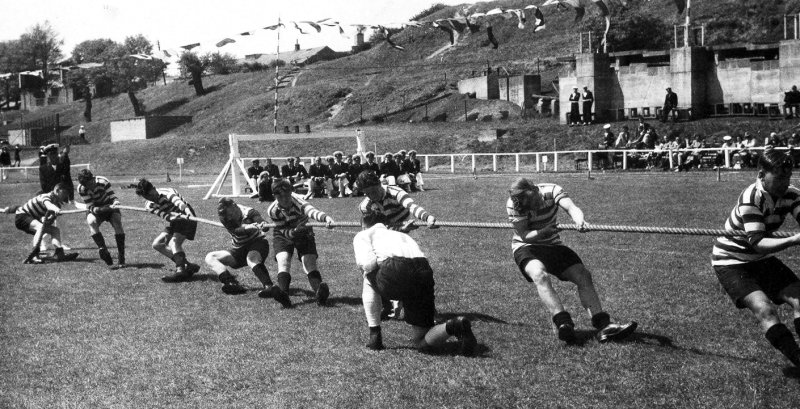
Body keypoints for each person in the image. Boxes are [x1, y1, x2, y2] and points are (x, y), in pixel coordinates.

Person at [506, 177, 637, 344]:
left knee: (582, 275)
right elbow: (525, 235)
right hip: (526, 246)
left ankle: (604, 326)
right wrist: (542, 232)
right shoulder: (514, 204)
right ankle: (563, 324)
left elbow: (571, 207)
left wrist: (579, 219)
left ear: (535, 190)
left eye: (533, 202)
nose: (532, 207)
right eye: (527, 206)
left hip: (552, 244)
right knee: (539, 274)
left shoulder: (552, 191)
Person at [711, 148, 800, 371]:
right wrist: (795, 239)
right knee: (765, 309)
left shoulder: (791, 194)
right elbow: (758, 242)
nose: (784, 183)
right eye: (779, 178)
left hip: (760, 258)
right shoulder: (752, 197)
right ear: (761, 175)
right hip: (731, 260)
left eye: (788, 178)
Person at [353, 208, 477, 355]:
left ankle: (375, 334)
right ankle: (453, 326)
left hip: (396, 268)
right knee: (421, 340)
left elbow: (367, 264)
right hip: (423, 269)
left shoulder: (363, 234)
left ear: (364, 225)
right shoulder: (399, 234)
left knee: (367, 275)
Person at [205, 197, 292, 307]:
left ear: (234, 206)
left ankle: (268, 286)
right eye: (227, 215)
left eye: (230, 213)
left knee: (251, 258)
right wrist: (248, 227)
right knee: (210, 257)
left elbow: (261, 222)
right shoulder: (223, 216)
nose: (229, 217)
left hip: (258, 243)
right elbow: (236, 231)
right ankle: (231, 283)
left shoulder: (249, 212)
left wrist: (262, 225)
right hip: (238, 249)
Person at [266, 178, 335, 307]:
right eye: (280, 197)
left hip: (304, 230)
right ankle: (283, 295)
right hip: (283, 233)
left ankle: (320, 293)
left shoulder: (297, 200)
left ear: (291, 192)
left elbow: (311, 211)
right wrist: (294, 232)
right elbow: (283, 231)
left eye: (287, 195)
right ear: (274, 196)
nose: (285, 199)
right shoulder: (272, 210)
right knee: (283, 260)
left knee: (308, 261)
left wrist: (326, 218)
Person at [134, 177, 201, 282]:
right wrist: (173, 218)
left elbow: (181, 204)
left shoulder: (168, 192)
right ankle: (188, 266)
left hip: (187, 216)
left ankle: (180, 271)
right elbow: (164, 215)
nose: (151, 198)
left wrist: (189, 214)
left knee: (174, 243)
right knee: (157, 244)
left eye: (151, 195)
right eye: (147, 197)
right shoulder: (149, 205)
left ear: (154, 188)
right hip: (174, 220)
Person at [15, 183, 79, 264]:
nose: (65, 196)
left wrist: (50, 218)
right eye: (64, 193)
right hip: (21, 216)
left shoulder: (58, 204)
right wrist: (55, 209)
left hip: (34, 219)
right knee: (40, 227)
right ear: (57, 191)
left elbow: (48, 222)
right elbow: (48, 205)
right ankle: (34, 256)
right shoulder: (46, 196)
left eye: (66, 194)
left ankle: (60, 254)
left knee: (55, 230)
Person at [357, 170, 437, 232]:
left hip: (405, 227)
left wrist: (428, 218)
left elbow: (412, 207)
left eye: (373, 191)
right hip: (385, 232)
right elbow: (375, 230)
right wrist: (401, 229)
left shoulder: (396, 193)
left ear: (379, 184)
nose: (372, 196)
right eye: (367, 193)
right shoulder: (365, 206)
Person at [77, 169, 126, 267]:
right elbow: (90, 206)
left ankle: (121, 256)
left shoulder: (103, 181)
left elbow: (113, 197)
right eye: (86, 185)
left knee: (117, 222)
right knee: (91, 222)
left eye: (90, 183)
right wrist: (101, 209)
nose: (89, 187)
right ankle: (103, 250)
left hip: (109, 206)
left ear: (93, 178)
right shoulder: (81, 188)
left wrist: (115, 203)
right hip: (96, 209)